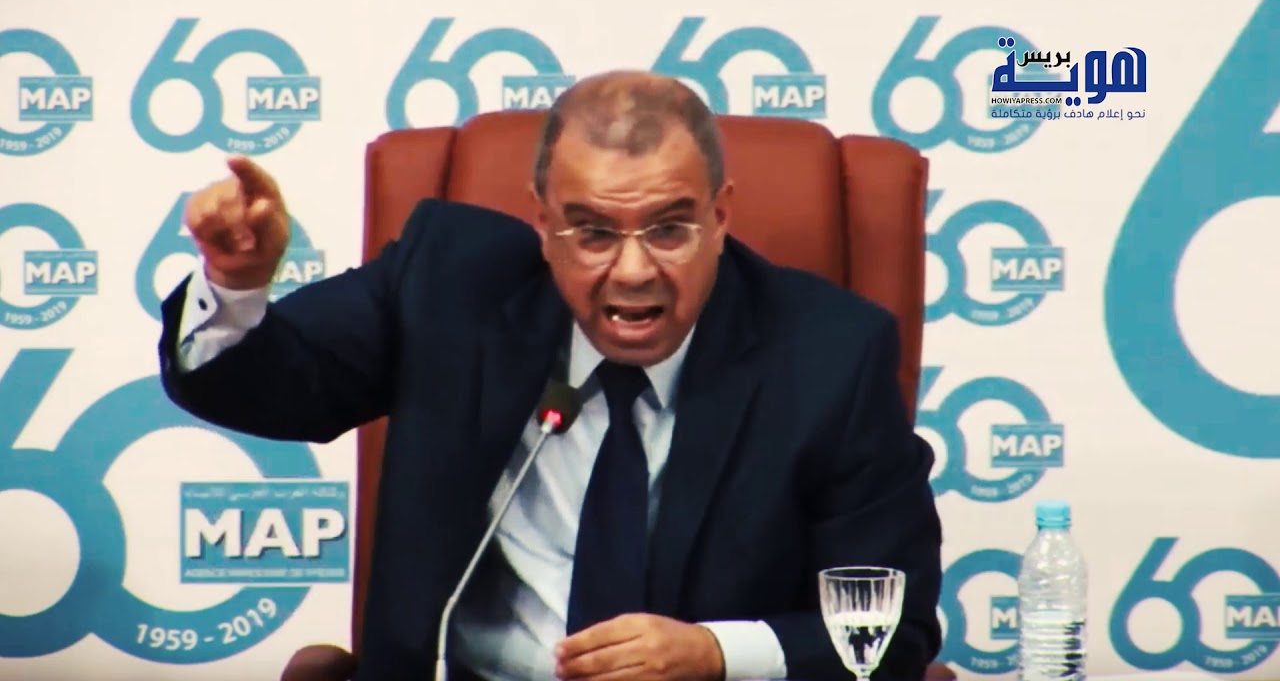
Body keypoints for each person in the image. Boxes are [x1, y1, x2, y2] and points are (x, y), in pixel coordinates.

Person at [158, 70, 943, 681]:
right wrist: (237, 284)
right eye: (592, 232)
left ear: (720, 215)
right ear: (542, 221)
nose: (632, 271)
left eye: (669, 229)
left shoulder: (830, 355)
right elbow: (266, 382)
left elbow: (890, 632)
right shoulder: (448, 283)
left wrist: (713, 654)